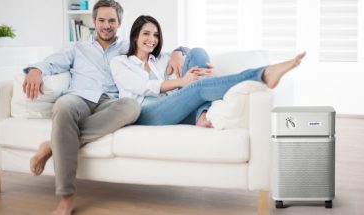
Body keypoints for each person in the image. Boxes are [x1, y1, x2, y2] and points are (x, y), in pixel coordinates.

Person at [24, 1, 185, 215]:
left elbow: (157, 47)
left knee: (131, 107)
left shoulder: (128, 47)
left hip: (111, 102)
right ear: (94, 22)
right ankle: (66, 198)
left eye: (111, 20)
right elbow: (51, 64)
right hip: (79, 98)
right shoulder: (77, 48)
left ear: (119, 23)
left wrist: (178, 52)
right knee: (63, 106)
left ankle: (54, 144)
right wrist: (35, 70)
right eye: (101, 20)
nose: (106, 25)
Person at [110, 15, 306, 127]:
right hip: (145, 114)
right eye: (146, 34)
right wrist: (181, 82)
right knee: (196, 87)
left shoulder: (160, 58)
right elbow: (144, 87)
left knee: (197, 52)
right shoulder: (120, 62)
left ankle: (201, 116)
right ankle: (262, 74)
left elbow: (188, 52)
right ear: (134, 36)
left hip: (172, 108)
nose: (152, 39)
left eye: (155, 35)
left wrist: (179, 52)